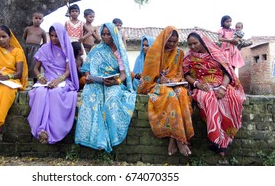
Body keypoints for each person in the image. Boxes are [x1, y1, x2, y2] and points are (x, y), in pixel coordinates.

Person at [74, 22, 136, 153]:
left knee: (111, 99)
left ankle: (111, 137)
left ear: (114, 34)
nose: (106, 36)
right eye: (103, 34)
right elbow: (86, 68)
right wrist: (88, 77)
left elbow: (124, 73)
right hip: (96, 83)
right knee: (89, 96)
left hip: (113, 82)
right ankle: (94, 138)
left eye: (108, 34)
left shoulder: (120, 51)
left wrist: (117, 81)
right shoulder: (96, 50)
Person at [183, 31, 246, 156]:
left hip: (221, 84)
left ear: (202, 41)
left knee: (232, 99)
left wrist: (222, 88)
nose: (192, 47)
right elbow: (186, 74)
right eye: (190, 44)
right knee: (208, 99)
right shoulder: (189, 57)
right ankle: (216, 140)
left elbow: (228, 73)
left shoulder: (217, 54)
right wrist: (197, 84)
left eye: (195, 43)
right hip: (202, 87)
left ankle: (226, 139)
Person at [137, 27, 194, 156]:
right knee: (171, 96)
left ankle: (174, 139)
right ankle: (180, 141)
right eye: (169, 41)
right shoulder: (154, 52)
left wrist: (174, 79)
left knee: (183, 94)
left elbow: (180, 73)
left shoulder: (179, 53)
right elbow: (147, 77)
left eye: (175, 41)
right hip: (156, 85)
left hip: (175, 83)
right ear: (164, 39)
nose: (172, 44)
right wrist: (159, 79)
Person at [27, 23, 79, 144]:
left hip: (62, 81)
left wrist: (58, 80)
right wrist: (40, 76)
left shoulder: (67, 49)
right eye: (51, 36)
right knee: (40, 93)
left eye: (56, 36)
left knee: (55, 94)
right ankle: (40, 130)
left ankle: (52, 130)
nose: (54, 39)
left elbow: (68, 71)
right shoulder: (44, 48)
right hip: (46, 81)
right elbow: (35, 69)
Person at [22, 11, 47, 83]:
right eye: (36, 18)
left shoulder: (42, 31)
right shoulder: (28, 29)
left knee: (34, 64)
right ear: (32, 19)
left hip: (36, 49)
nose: (37, 20)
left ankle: (35, 80)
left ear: (42, 20)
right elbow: (24, 38)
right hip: (27, 48)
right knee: (26, 63)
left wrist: (40, 48)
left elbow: (45, 42)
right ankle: (25, 79)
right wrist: (26, 45)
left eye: (40, 18)